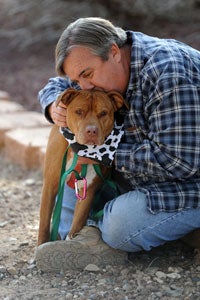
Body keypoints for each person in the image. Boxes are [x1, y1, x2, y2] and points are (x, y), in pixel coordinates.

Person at [35, 17, 200, 272]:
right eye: (78, 81)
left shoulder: (168, 74)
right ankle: (81, 236)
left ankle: (101, 241)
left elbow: (180, 162)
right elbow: (58, 84)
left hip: (189, 183)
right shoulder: (101, 65)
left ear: (113, 52)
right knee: (75, 170)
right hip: (144, 176)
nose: (84, 86)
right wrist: (53, 105)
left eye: (87, 75)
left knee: (119, 225)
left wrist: (105, 154)